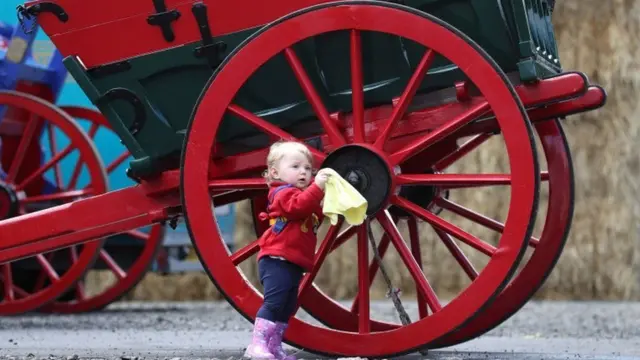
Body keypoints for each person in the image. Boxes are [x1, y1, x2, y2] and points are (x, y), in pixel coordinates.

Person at [244, 141, 332, 360]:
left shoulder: (300, 194)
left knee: (288, 305)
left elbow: (312, 213)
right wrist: (316, 188)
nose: (303, 171)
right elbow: (298, 207)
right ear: (275, 172)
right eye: (295, 167)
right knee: (274, 303)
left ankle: (274, 347)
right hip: (276, 259)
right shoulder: (281, 193)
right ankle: (257, 345)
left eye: (308, 168)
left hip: (293, 260)